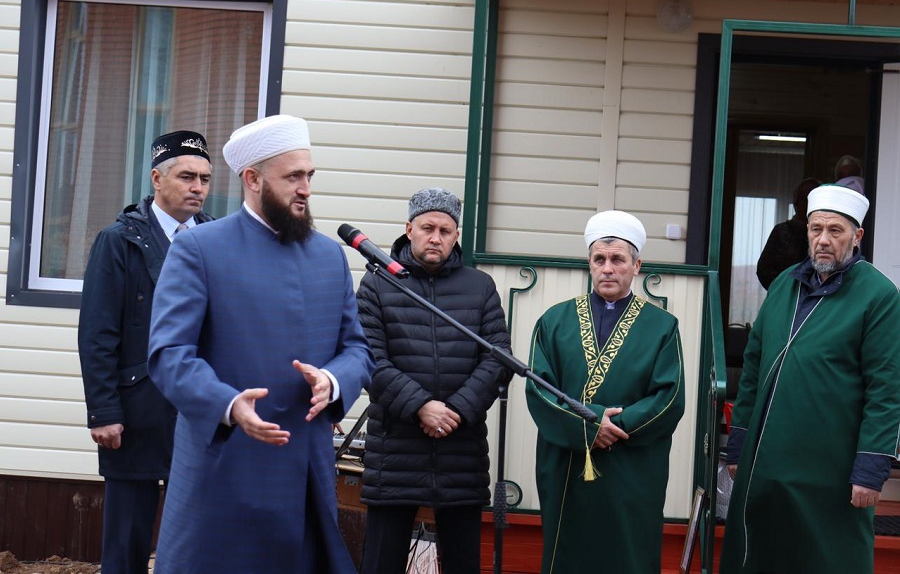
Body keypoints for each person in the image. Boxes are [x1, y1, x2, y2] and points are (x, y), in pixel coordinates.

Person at [147, 115, 374, 573]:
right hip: (224, 468)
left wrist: (332, 381)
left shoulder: (329, 256)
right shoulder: (199, 249)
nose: (305, 189)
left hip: (304, 470)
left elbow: (357, 350)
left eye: (309, 175)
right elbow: (169, 355)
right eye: (293, 177)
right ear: (252, 179)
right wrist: (229, 404)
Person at [720, 185, 900, 573]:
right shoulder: (783, 284)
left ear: (857, 236)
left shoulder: (879, 295)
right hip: (766, 461)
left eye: (835, 231)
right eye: (816, 229)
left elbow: (886, 390)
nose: (823, 240)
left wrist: (871, 469)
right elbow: (752, 370)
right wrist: (738, 445)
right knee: (762, 553)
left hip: (832, 466)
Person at [78, 130, 213, 574]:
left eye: (205, 179)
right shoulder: (119, 241)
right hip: (136, 409)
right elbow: (98, 333)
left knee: (197, 543)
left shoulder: (217, 239)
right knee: (126, 542)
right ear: (157, 178)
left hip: (200, 408)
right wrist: (103, 411)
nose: (197, 187)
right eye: (187, 176)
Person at [356, 188, 511, 574]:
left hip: (461, 450)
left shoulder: (480, 286)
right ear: (410, 229)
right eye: (427, 228)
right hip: (395, 450)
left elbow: (497, 358)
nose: (436, 238)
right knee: (381, 562)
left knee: (462, 562)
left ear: (456, 236)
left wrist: (455, 410)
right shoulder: (378, 284)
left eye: (445, 230)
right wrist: (421, 406)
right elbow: (369, 359)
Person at [525, 210, 685, 574]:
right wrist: (589, 425)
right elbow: (539, 389)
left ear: (636, 265)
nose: (608, 269)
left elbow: (669, 398)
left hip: (631, 465)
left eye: (617, 259)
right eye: (599, 259)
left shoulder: (662, 326)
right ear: (589, 263)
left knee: (626, 556)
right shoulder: (554, 321)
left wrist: (613, 427)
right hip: (567, 463)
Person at [755, 177, 820, 290]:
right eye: (805, 200)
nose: (809, 204)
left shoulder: (825, 235)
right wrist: (783, 289)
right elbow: (764, 269)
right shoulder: (781, 231)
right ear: (796, 203)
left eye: (813, 200)